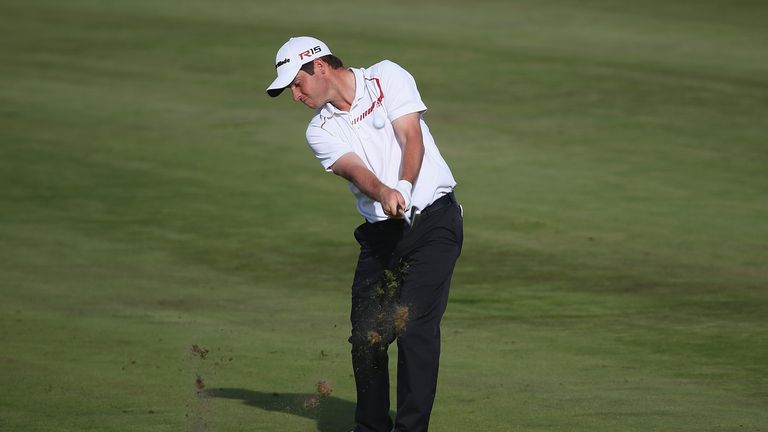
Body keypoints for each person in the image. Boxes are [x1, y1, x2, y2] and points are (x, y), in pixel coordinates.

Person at [266, 36, 463, 432]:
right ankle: (371, 426)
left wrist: (404, 187)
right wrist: (385, 192)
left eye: (297, 83)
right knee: (365, 337)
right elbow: (357, 173)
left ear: (319, 66)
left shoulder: (385, 76)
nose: (295, 94)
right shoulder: (319, 130)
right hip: (381, 238)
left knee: (414, 329)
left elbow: (411, 135)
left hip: (434, 224)